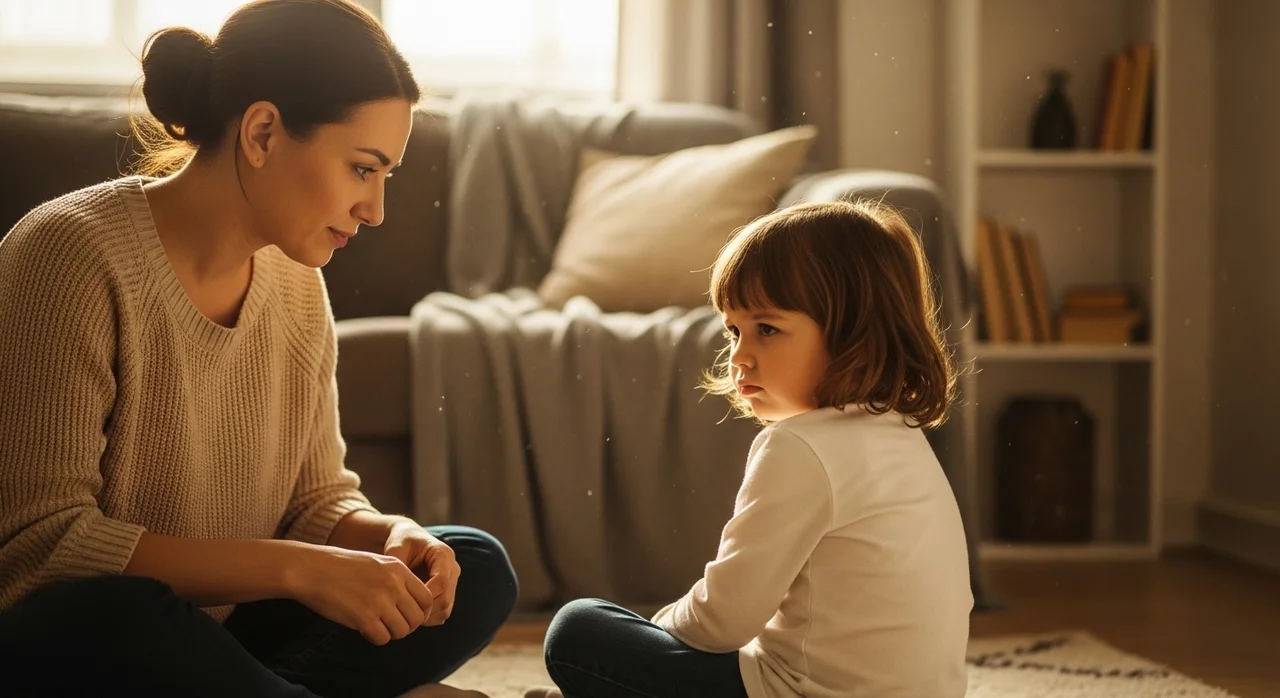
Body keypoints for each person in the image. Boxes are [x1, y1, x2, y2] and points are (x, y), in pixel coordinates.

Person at [0, 1, 515, 697]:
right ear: (264, 132)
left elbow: (315, 502)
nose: (377, 210)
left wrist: (388, 537)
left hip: (209, 637)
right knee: (124, 617)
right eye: (363, 169)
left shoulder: (297, 282)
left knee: (469, 565)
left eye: (385, 175)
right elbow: (44, 549)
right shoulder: (69, 254)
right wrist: (300, 569)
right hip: (79, 630)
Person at [524, 200, 974, 698]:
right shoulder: (901, 435)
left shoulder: (800, 447)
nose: (739, 355)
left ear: (854, 335)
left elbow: (724, 621)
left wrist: (654, 630)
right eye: (733, 330)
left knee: (578, 630)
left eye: (767, 329)